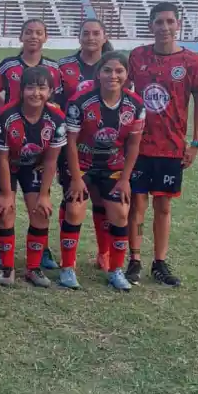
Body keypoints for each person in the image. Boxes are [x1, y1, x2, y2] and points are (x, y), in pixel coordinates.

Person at [127, 2, 198, 286]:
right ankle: (134, 260)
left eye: (169, 21)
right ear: (151, 26)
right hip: (138, 145)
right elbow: (124, 94)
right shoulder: (137, 57)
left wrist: (196, 141)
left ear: (178, 25)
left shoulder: (191, 61)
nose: (164, 27)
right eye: (159, 22)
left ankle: (159, 262)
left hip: (172, 147)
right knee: (136, 205)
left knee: (163, 207)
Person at [0, 18, 63, 270]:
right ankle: (2, 251)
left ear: (45, 37)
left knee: (40, 204)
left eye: (39, 33)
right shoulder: (9, 65)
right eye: (28, 32)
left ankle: (43, 250)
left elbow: (57, 98)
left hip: (37, 143)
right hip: (11, 136)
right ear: (20, 36)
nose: (33, 37)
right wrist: (2, 112)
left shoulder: (52, 67)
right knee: (4, 204)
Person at [65, 52, 146, 290]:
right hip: (82, 163)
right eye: (108, 70)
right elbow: (70, 142)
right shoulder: (80, 102)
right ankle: (68, 269)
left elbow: (133, 144)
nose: (113, 75)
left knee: (120, 212)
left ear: (126, 74)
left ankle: (116, 270)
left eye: (119, 71)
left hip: (113, 166)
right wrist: (77, 178)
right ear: (98, 74)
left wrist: (125, 179)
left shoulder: (135, 105)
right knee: (74, 208)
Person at [0, 67, 66, 287]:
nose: (36, 93)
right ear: (21, 90)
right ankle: (7, 268)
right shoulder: (5, 115)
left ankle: (33, 268)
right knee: (6, 211)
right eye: (30, 87)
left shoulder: (56, 118)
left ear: (50, 91)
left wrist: (44, 194)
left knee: (41, 213)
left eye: (42, 88)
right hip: (4, 165)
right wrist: (6, 194)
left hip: (33, 165)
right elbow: (2, 158)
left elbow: (51, 160)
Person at [57, 18, 114, 269]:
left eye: (96, 33)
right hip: (71, 144)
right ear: (79, 37)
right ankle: (67, 256)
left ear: (104, 37)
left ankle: (104, 253)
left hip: (106, 145)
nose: (91, 38)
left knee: (102, 199)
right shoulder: (64, 66)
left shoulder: (113, 66)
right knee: (71, 196)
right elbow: (54, 100)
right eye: (86, 33)